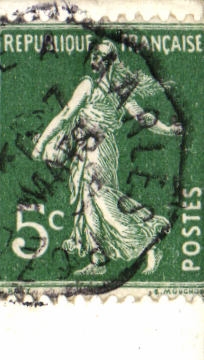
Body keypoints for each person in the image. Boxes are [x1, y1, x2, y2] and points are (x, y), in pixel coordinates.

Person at [32, 40, 181, 275]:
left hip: (100, 150)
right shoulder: (96, 86)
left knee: (100, 199)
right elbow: (67, 115)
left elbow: (142, 117)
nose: (94, 60)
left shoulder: (108, 89)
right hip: (86, 149)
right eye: (94, 55)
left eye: (99, 56)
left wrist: (169, 130)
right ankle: (98, 259)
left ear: (109, 62)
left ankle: (149, 237)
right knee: (88, 203)